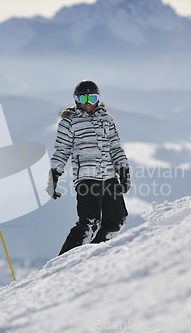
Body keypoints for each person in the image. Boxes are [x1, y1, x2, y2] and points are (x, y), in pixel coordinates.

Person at [48, 80, 130, 255]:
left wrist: (123, 171)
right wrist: (54, 175)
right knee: (90, 222)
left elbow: (115, 147)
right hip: (86, 177)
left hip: (108, 175)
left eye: (91, 98)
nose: (87, 103)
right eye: (83, 98)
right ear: (76, 100)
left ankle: (93, 253)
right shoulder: (69, 122)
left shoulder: (106, 120)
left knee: (118, 220)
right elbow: (62, 150)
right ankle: (64, 259)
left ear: (98, 99)